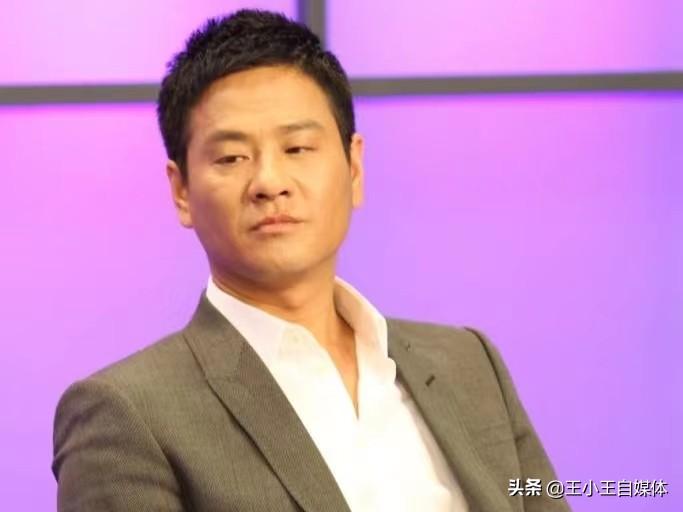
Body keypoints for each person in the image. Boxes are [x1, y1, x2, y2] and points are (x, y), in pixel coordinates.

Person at [52, 9, 570, 512]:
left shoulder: (468, 364)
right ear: (181, 191)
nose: (269, 182)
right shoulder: (127, 413)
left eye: (298, 148)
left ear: (354, 167)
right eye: (231, 157)